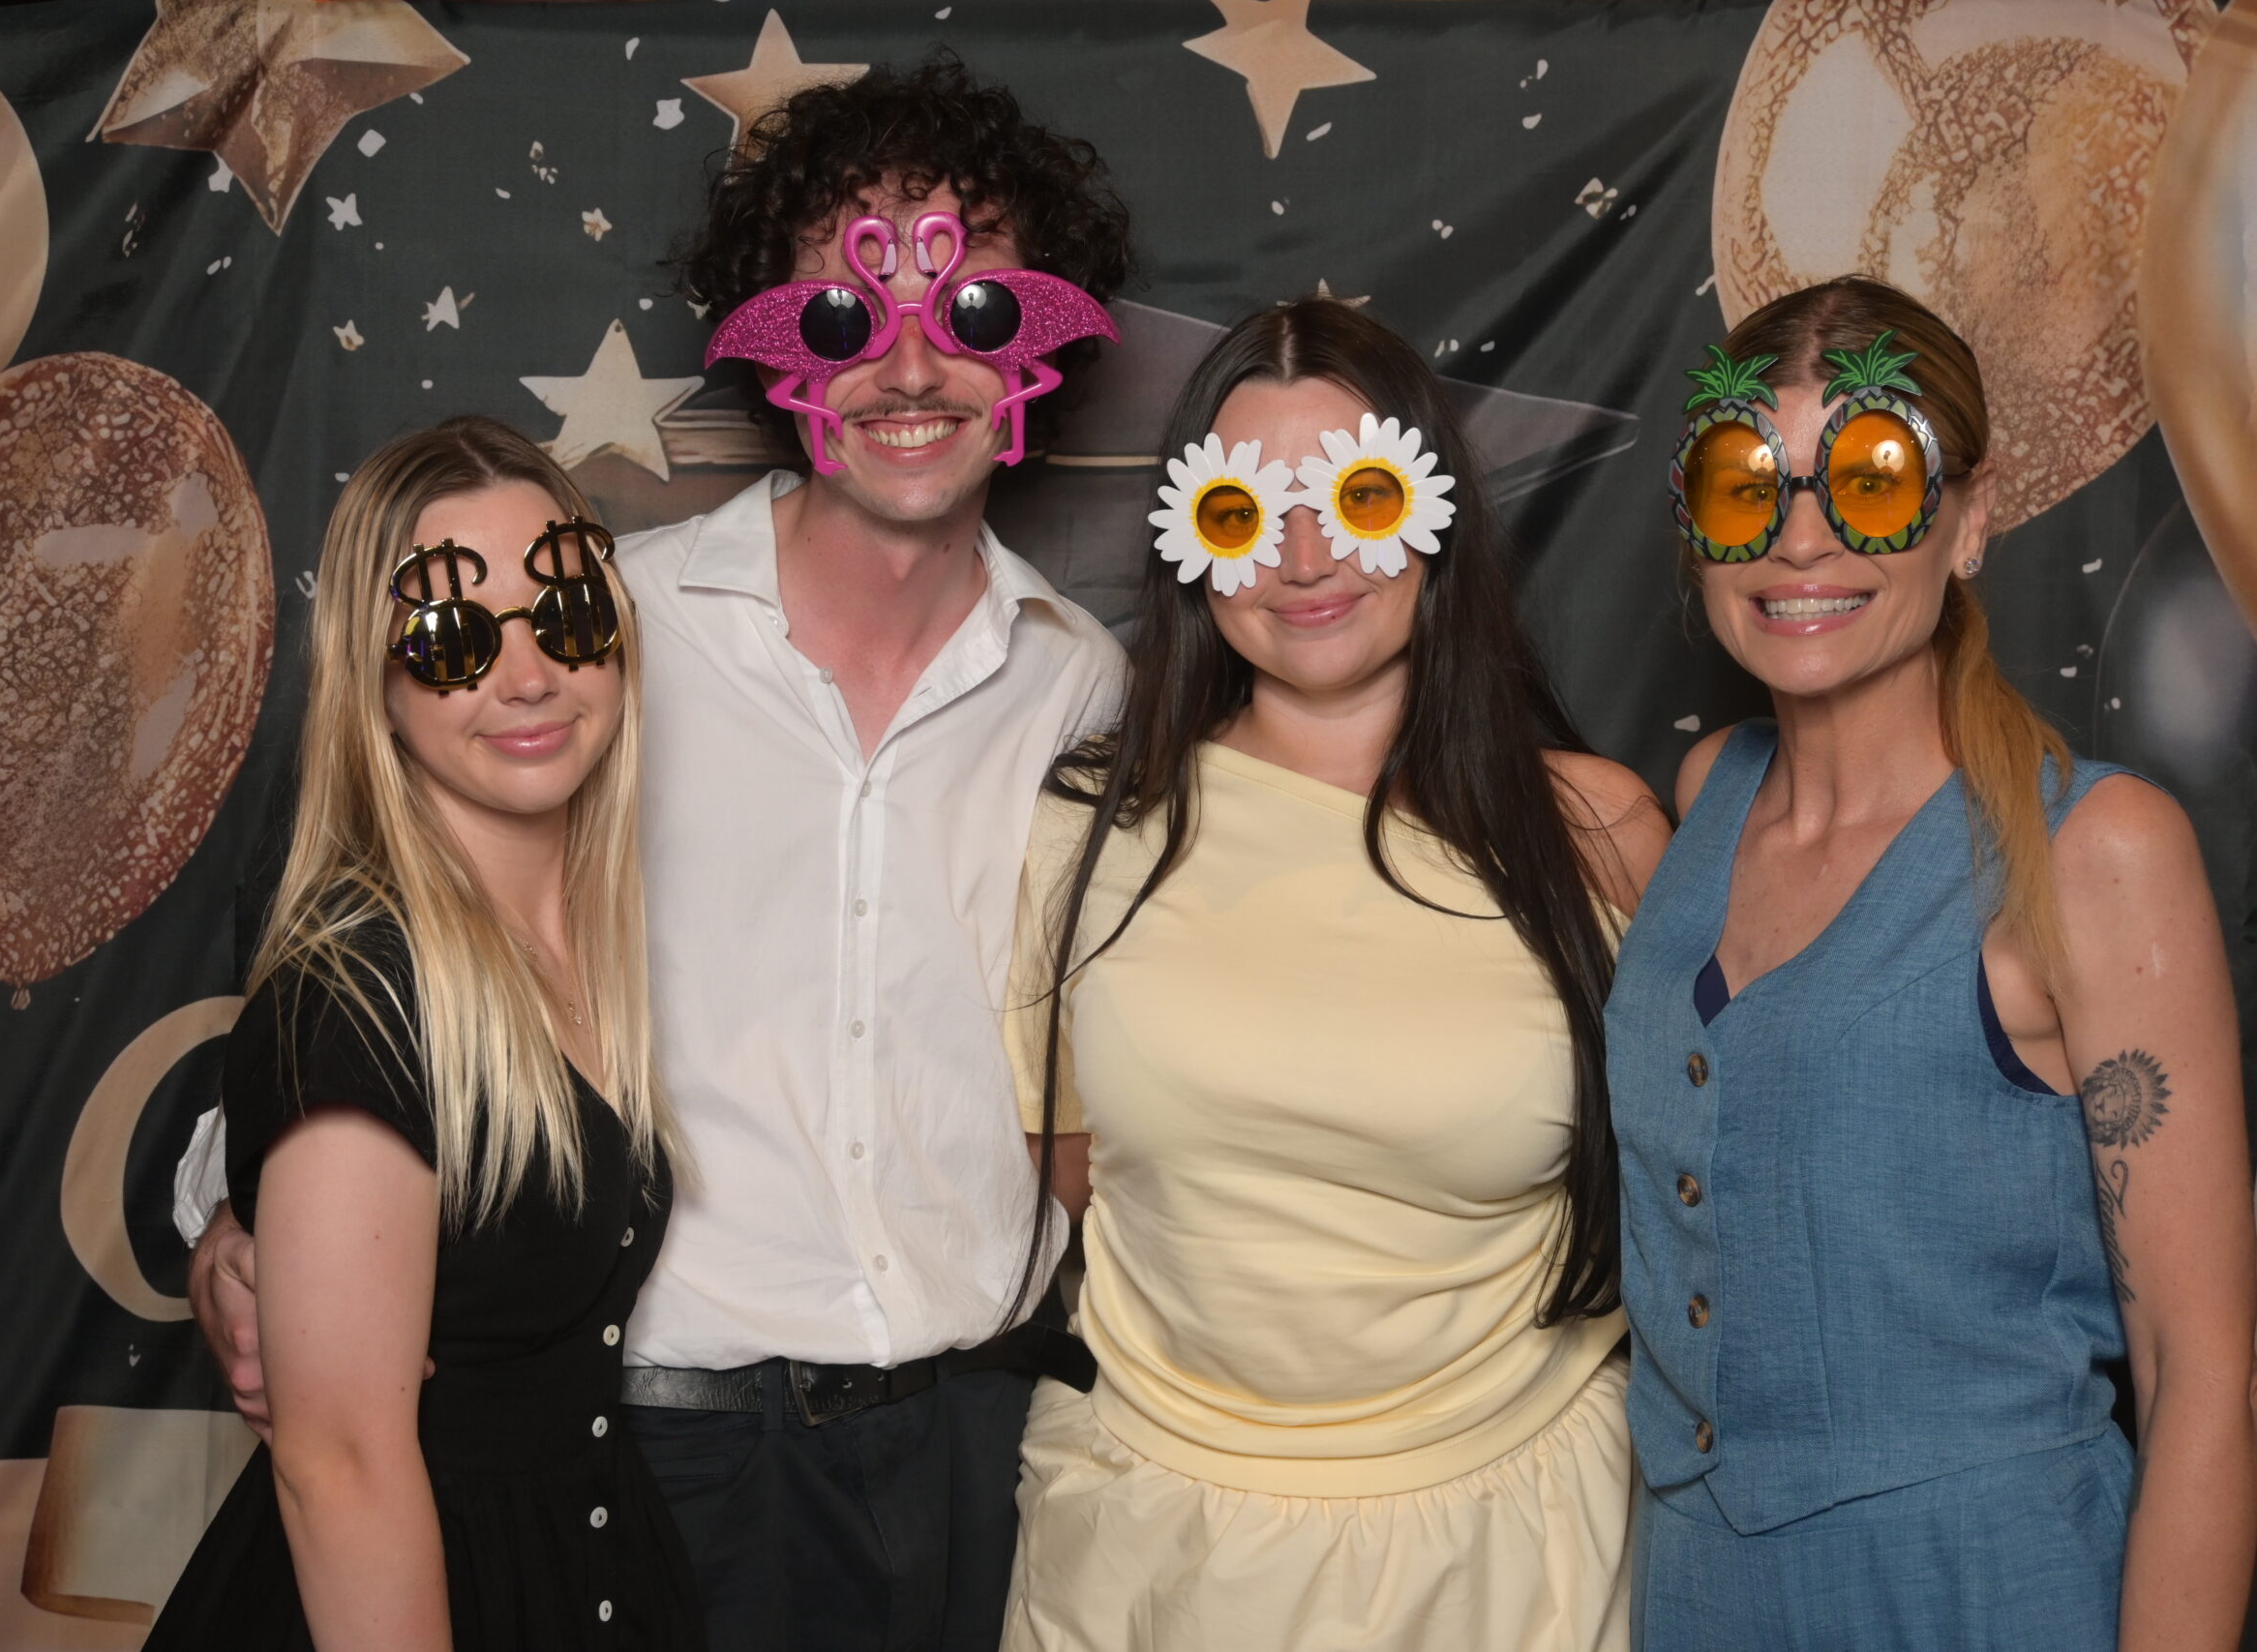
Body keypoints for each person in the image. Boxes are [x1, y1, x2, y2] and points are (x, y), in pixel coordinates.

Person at [175, 59, 1131, 1652]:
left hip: (984, 1439)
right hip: (668, 1449)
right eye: (842, 318)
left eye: (967, 314)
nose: (907, 367)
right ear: (771, 348)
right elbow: (363, 952)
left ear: (1039, 334)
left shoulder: (1085, 684)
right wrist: (231, 1218)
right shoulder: (587, 639)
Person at [999, 297, 1670, 1652]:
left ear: (1433, 512)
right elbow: (1070, 1167)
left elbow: (1693, 1189)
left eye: (1354, 493)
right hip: (1157, 1546)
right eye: (1250, 509)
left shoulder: (1594, 829)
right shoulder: (1095, 823)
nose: (1304, 555)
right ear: (1194, 541)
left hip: (1515, 1544)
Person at [1613, 275, 2257, 1649]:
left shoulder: (2096, 848)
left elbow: (2202, 1374)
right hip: (1697, 1597)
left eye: (1872, 479)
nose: (1801, 540)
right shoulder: (1706, 790)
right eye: (1748, 486)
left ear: (1968, 520)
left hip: (1980, 1594)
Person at [145, 416, 703, 1649]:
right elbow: (337, 1465)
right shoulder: (353, 997)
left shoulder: (583, 950)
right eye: (453, 638)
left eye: (564, 618)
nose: (528, 675)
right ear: (379, 685)